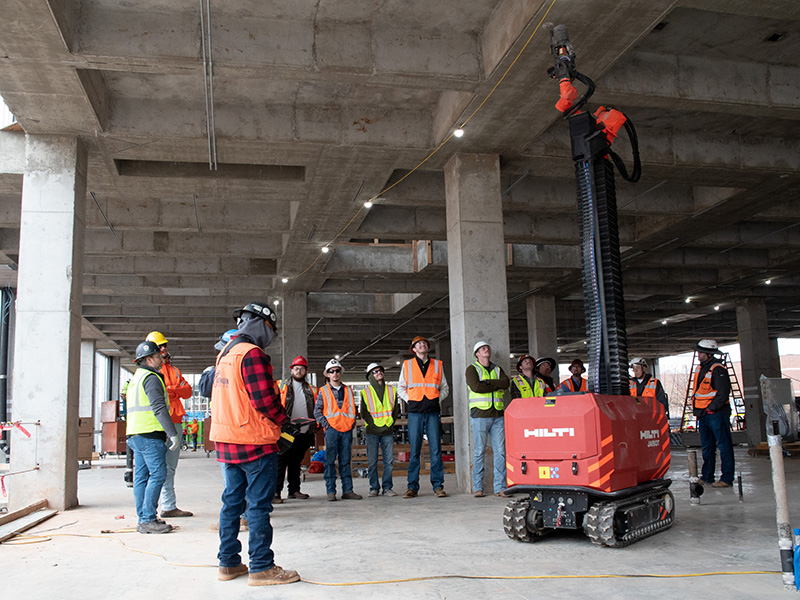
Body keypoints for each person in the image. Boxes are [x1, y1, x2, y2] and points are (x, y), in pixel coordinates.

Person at [210, 301, 300, 586]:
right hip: (254, 443)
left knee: (231, 504)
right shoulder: (252, 354)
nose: (271, 337)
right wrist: (284, 422)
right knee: (259, 506)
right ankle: (261, 567)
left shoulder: (225, 354)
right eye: (271, 330)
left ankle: (229, 563)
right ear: (262, 324)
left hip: (226, 442)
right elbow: (264, 400)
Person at [125, 340, 180, 534]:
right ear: (149, 359)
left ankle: (144, 517)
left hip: (135, 434)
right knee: (158, 474)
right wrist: (173, 434)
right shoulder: (151, 378)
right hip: (149, 434)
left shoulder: (136, 378)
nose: (161, 359)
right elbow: (158, 407)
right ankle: (147, 519)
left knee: (141, 477)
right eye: (158, 356)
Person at [146, 331, 193, 519]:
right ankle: (151, 510)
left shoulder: (173, 371)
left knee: (169, 467)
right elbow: (159, 393)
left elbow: (188, 391)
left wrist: (173, 389)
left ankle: (168, 505)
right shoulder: (150, 371)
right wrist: (175, 390)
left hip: (175, 420)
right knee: (155, 469)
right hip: (158, 423)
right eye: (160, 346)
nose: (164, 349)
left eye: (164, 345)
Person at [397, 335, 449, 499]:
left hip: (433, 411)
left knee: (436, 450)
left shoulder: (437, 365)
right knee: (414, 451)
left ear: (427, 347)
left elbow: (445, 388)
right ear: (414, 349)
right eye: (418, 344)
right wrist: (410, 400)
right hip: (415, 412)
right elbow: (401, 388)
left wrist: (435, 399)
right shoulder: (407, 365)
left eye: (424, 343)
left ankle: (438, 486)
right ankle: (412, 487)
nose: (421, 345)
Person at [466, 341, 510, 498]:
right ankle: (478, 487)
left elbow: (506, 383)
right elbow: (476, 387)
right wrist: (495, 385)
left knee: (501, 452)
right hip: (480, 415)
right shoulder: (472, 369)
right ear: (477, 354)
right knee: (479, 451)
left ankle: (500, 487)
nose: (486, 350)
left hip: (498, 415)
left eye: (487, 348)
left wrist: (488, 383)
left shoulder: (497, 369)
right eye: (482, 348)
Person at [314, 359, 362, 501]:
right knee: (329, 461)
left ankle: (348, 490)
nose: (335, 373)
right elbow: (317, 411)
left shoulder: (348, 390)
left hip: (346, 430)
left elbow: (353, 409)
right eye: (331, 371)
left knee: (345, 460)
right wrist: (326, 425)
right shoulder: (323, 391)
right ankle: (331, 491)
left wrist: (351, 423)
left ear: (340, 372)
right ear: (327, 374)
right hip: (332, 430)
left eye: (337, 370)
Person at [691, 339, 734, 489]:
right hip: (703, 414)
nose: (698, 354)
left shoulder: (718, 369)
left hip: (716, 413)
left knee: (724, 445)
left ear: (709, 354)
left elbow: (723, 393)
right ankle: (707, 476)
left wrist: (711, 408)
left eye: (701, 352)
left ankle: (727, 478)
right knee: (707, 447)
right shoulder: (700, 369)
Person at [275, 355, 318, 503]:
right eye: (296, 368)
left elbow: (317, 409)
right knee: (281, 462)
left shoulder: (312, 389)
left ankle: (294, 490)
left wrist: (315, 427)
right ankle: (276, 493)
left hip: (304, 432)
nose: (299, 371)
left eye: (302, 368)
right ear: (292, 370)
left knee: (296, 462)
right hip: (285, 431)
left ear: (306, 371)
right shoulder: (281, 386)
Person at [360, 362, 400, 497]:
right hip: (372, 431)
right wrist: (372, 424)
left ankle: (387, 488)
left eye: (380, 370)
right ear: (370, 376)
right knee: (372, 462)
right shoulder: (365, 392)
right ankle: (374, 488)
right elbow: (364, 412)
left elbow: (396, 410)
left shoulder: (392, 390)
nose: (379, 373)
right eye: (375, 371)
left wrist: (390, 423)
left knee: (388, 461)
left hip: (387, 431)